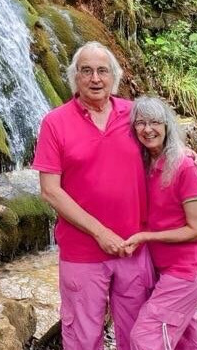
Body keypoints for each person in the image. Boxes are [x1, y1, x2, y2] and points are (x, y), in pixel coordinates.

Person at [31, 41, 155, 350]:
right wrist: (100, 232)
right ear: (75, 77)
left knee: (138, 335)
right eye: (86, 71)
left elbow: (164, 152)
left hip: (133, 248)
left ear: (114, 76)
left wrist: (190, 157)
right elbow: (50, 190)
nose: (95, 79)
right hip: (82, 254)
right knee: (83, 339)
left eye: (102, 71)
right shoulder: (55, 122)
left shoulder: (135, 115)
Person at [123, 96, 197, 350]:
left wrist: (145, 237)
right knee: (185, 337)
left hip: (188, 267)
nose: (148, 129)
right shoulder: (145, 163)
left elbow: (196, 230)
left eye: (155, 122)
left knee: (147, 337)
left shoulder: (184, 166)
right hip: (168, 267)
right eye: (141, 123)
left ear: (167, 127)